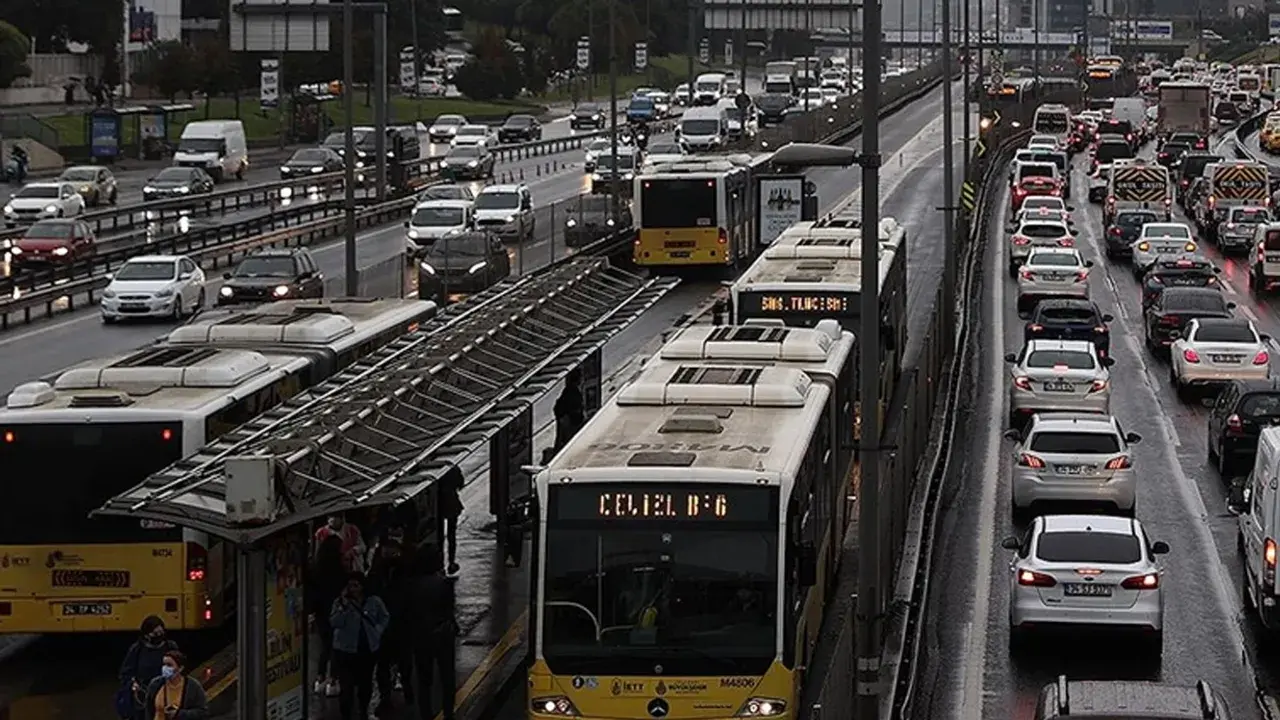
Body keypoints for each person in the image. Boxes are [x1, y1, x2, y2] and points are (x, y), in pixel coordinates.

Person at [330, 572, 390, 720]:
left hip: (367, 650)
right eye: (350, 586)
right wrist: (343, 607)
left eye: (356, 585)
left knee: (365, 685)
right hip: (345, 650)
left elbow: (385, 617)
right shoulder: (340, 603)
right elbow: (334, 622)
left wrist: (377, 631)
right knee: (346, 687)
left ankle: (363, 711)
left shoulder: (374, 601)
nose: (353, 589)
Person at [407, 546, 458, 720]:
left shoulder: (412, 584)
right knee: (447, 678)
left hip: (420, 635)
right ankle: (449, 714)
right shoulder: (444, 584)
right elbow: (449, 609)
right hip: (442, 634)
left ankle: (426, 715)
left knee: (424, 680)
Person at [368, 531, 414, 714]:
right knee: (384, 665)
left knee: (397, 663)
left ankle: (404, 688)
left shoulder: (402, 571)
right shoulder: (378, 574)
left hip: (397, 625)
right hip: (386, 627)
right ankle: (387, 697)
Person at [118, 615, 178, 720]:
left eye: (161, 633)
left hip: (167, 694)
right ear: (146, 635)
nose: (159, 636)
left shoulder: (170, 647)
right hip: (143, 696)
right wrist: (133, 684)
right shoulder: (137, 649)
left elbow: (179, 667)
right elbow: (125, 673)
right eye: (155, 634)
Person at [309, 534, 347, 698]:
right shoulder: (339, 570)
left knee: (324, 645)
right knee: (336, 646)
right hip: (336, 611)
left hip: (320, 611)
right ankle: (333, 680)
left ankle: (320, 678)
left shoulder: (316, 569)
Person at [143, 650, 209, 720]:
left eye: (169, 665)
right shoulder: (155, 684)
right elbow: (148, 710)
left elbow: (203, 712)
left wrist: (179, 714)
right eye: (164, 664)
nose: (165, 668)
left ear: (180, 668)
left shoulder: (193, 686)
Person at [552, 370, 585, 452]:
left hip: (568, 420)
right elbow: (575, 407)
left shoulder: (568, 390)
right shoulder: (572, 391)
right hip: (570, 422)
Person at [439, 468, 463, 576]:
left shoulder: (439, 471)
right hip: (452, 503)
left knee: (439, 536)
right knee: (451, 535)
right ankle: (451, 561)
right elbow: (461, 483)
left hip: (439, 504)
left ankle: (440, 562)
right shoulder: (454, 469)